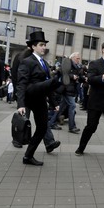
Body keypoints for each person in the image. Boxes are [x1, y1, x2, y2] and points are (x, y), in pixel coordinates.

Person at [16, 31, 62, 166]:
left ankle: (28, 156)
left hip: (40, 98)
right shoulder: (27, 61)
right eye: (41, 45)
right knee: (50, 82)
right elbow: (21, 84)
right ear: (33, 47)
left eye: (44, 45)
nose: (44, 47)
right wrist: (20, 104)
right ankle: (59, 78)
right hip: (31, 94)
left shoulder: (44, 63)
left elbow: (47, 87)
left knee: (42, 128)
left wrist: (54, 103)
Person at [50, 52, 84, 133]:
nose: (79, 60)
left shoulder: (76, 66)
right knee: (72, 106)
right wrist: (72, 76)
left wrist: (83, 78)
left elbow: (79, 76)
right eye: (77, 58)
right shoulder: (67, 63)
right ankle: (72, 127)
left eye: (79, 58)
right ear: (72, 58)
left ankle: (51, 123)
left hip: (70, 89)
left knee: (61, 107)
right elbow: (62, 72)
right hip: (66, 88)